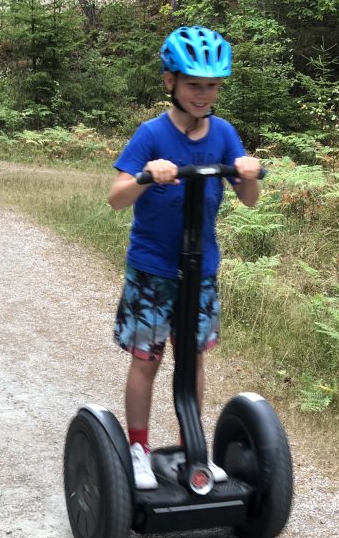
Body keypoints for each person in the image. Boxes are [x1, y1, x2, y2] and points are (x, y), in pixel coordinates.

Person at [108, 26, 262, 490]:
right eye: (194, 84)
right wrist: (145, 176)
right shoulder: (151, 134)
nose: (204, 94)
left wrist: (249, 171)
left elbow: (250, 198)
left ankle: (193, 447)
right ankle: (138, 448)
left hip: (202, 270)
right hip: (154, 270)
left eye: (212, 85)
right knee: (146, 361)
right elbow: (116, 198)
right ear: (169, 82)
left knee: (192, 360)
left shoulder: (224, 134)